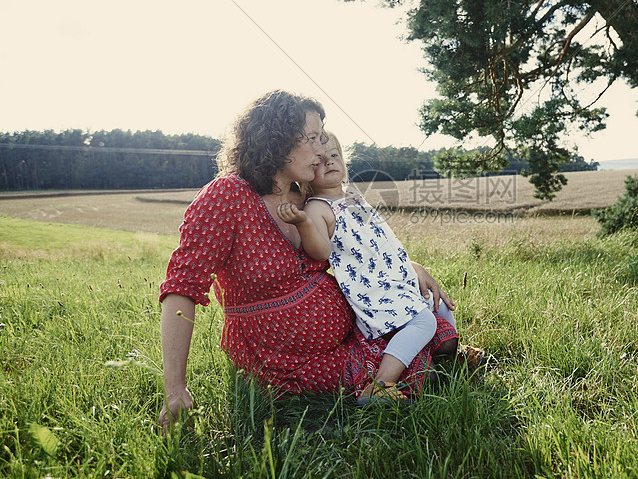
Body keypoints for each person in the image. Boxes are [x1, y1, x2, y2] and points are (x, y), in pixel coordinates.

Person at [158, 90, 458, 430]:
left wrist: (410, 268)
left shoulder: (306, 195)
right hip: (281, 356)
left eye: (322, 138)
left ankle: (425, 355)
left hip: (347, 329)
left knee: (421, 317)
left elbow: (355, 250)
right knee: (413, 361)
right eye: (312, 139)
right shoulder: (227, 196)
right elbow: (182, 287)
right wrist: (175, 389)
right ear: (277, 140)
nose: (321, 149)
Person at [277, 133, 458, 403]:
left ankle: (434, 353)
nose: (329, 163)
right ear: (306, 173)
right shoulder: (318, 207)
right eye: (319, 162)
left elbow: (378, 243)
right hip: (372, 290)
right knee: (424, 320)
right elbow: (320, 251)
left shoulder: (352, 197)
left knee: (438, 304)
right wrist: (304, 223)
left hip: (394, 279)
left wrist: (411, 266)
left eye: (334, 156)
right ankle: (381, 383)